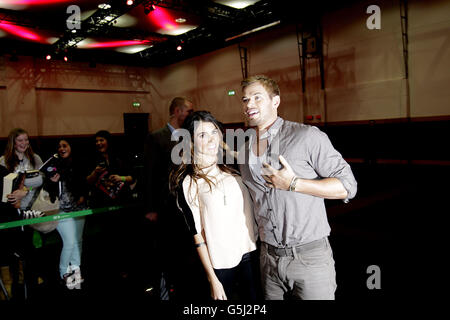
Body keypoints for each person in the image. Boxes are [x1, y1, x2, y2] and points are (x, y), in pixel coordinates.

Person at [238, 75, 357, 300]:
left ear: (276, 101)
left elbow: (348, 186)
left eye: (257, 97)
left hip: (309, 257)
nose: (249, 104)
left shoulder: (306, 136)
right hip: (268, 259)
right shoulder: (244, 151)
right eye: (245, 100)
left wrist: (294, 184)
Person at [170, 111, 259, 300]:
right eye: (202, 135)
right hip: (221, 264)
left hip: (251, 253)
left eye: (214, 132)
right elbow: (198, 235)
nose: (211, 139)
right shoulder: (188, 182)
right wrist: (213, 280)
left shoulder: (233, 167)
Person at [143, 96, 200, 300]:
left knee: (186, 255)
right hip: (164, 206)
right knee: (166, 255)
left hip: (186, 207)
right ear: (177, 111)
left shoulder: (190, 136)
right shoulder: (157, 137)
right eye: (189, 111)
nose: (191, 115)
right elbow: (149, 174)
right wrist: (150, 208)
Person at [45, 139, 88, 290]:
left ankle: (76, 275)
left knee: (78, 241)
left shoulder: (78, 163)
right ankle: (64, 273)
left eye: (65, 145)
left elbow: (85, 183)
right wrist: (51, 181)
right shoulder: (53, 166)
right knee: (70, 242)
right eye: (59, 147)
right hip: (61, 210)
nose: (62, 148)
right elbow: (47, 189)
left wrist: (83, 195)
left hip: (79, 207)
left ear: (71, 147)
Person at [0, 128, 43, 211]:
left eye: (26, 140)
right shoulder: (3, 161)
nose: (24, 143)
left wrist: (25, 191)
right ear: (13, 143)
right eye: (20, 140)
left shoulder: (35, 158)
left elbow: (40, 183)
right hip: (10, 205)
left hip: (32, 203)